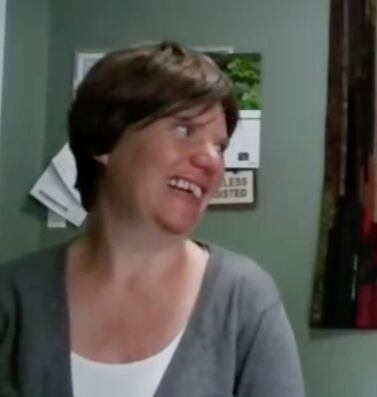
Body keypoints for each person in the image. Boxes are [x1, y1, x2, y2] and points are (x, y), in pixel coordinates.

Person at [0, 41, 305, 397]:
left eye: (220, 147)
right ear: (106, 140)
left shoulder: (243, 300)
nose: (212, 162)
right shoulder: (14, 298)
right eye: (185, 130)